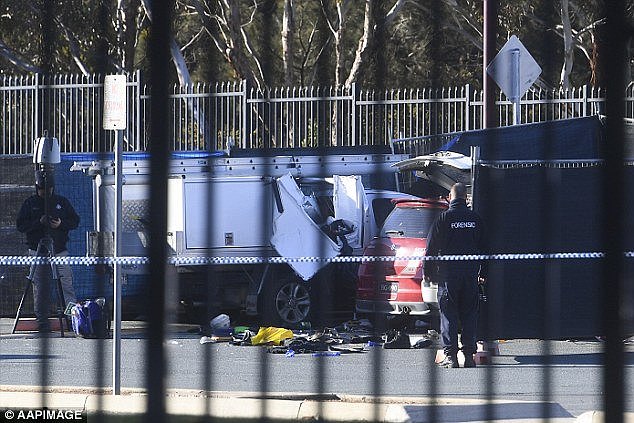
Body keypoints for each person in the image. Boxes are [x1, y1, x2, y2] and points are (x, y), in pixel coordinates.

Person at [424, 182, 487, 368]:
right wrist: (484, 273)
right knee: (469, 314)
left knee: (448, 315)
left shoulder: (443, 219)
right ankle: (468, 356)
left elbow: (430, 249)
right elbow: (486, 249)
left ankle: (451, 357)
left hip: (448, 276)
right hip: (470, 275)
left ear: (450, 198)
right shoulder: (475, 219)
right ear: (466, 198)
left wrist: (427, 273)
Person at [16, 170, 80, 332]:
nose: (47, 192)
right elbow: (21, 226)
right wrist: (39, 222)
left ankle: (72, 318)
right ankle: (42, 321)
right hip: (37, 251)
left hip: (59, 250)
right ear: (37, 187)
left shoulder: (61, 202)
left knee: (66, 284)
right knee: (40, 286)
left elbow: (75, 221)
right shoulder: (30, 203)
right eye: (43, 189)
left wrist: (60, 224)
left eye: (50, 188)